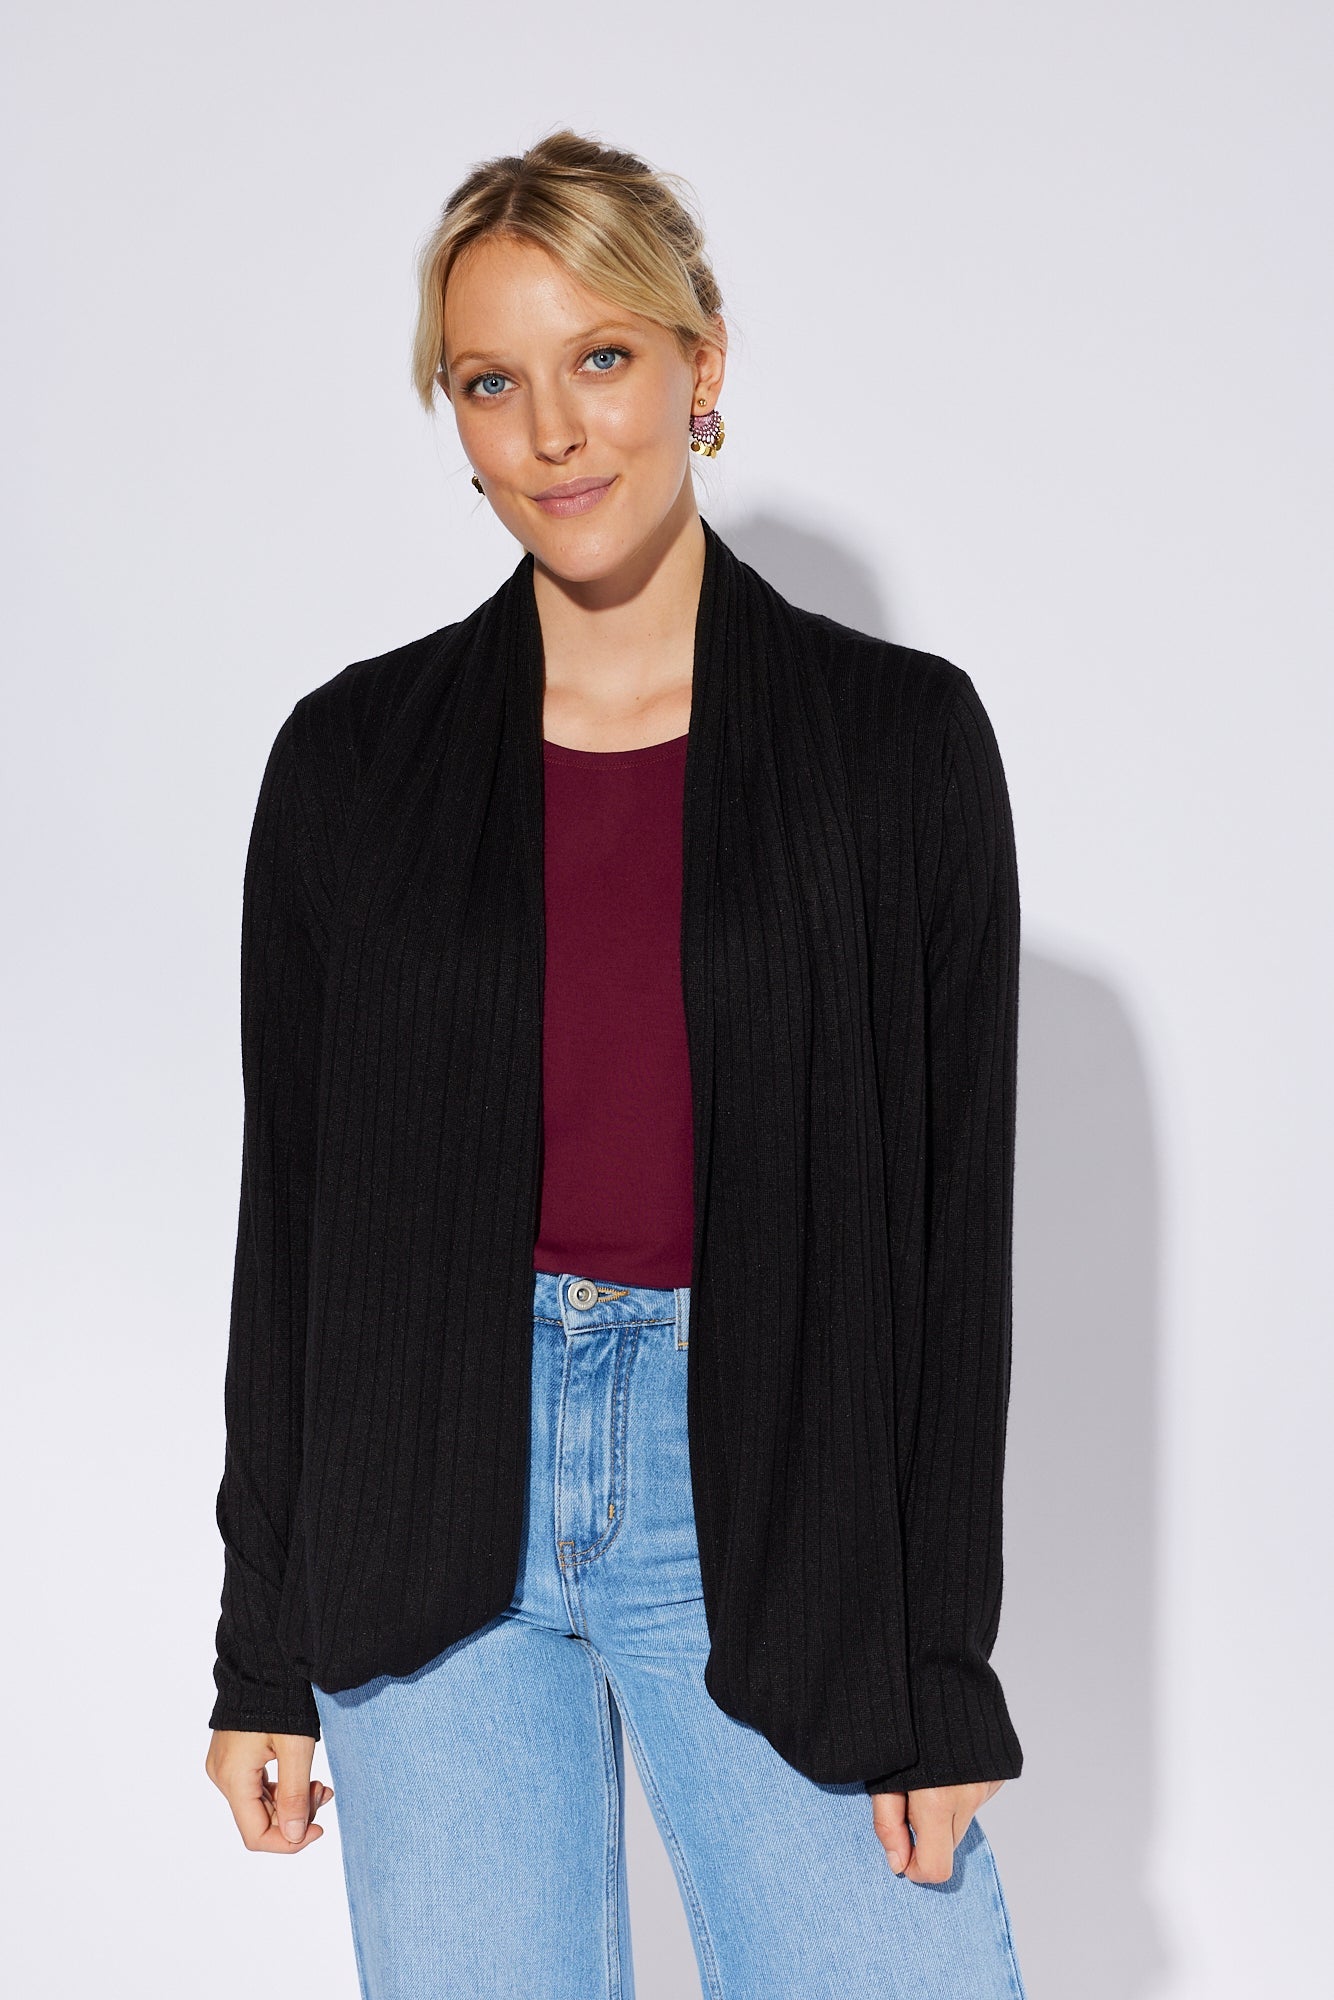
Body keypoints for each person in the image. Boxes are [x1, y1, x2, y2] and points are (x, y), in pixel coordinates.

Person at [204, 129, 1030, 1999]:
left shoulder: (895, 746)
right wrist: (262, 1651)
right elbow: (296, 1230)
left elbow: (946, 1241)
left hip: (767, 1484)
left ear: (699, 363)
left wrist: (938, 1668)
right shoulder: (350, 763)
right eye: (490, 382)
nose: (553, 432)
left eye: (600, 358)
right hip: (425, 1490)